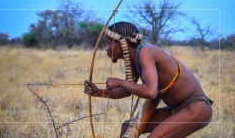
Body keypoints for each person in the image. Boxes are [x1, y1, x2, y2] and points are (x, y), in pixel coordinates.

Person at [84, 21, 213, 138]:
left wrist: (120, 82)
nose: (106, 48)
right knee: (126, 127)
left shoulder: (145, 52)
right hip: (177, 109)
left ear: (122, 42)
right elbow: (127, 91)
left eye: (108, 43)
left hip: (196, 108)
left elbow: (151, 92)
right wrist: (100, 92)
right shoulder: (135, 59)